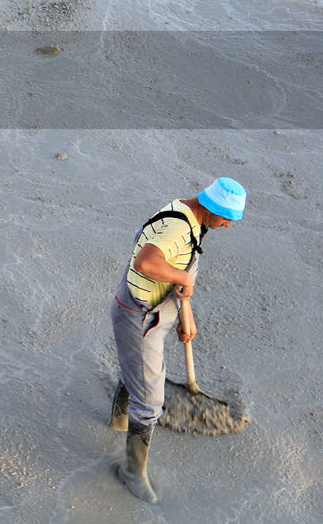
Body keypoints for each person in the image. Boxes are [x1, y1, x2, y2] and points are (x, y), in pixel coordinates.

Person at [108, 177, 246, 503]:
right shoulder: (177, 229)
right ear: (213, 208)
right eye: (227, 218)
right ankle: (131, 471)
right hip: (140, 316)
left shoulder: (190, 217)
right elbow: (146, 262)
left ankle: (117, 421)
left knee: (136, 370)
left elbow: (177, 271)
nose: (227, 226)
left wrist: (187, 314)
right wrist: (183, 278)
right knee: (150, 402)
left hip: (151, 310)